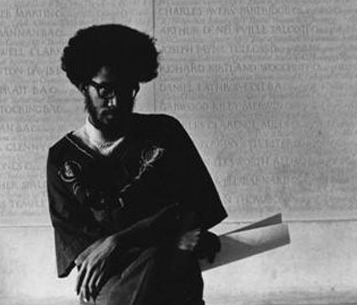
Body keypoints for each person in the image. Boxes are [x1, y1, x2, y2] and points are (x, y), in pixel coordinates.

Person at [46, 24, 227, 304]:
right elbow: (86, 253)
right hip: (112, 285)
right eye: (105, 90)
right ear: (84, 87)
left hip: (172, 277)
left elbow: (195, 210)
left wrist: (119, 240)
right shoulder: (63, 159)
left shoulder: (165, 134)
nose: (116, 101)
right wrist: (165, 235)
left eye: (126, 90)